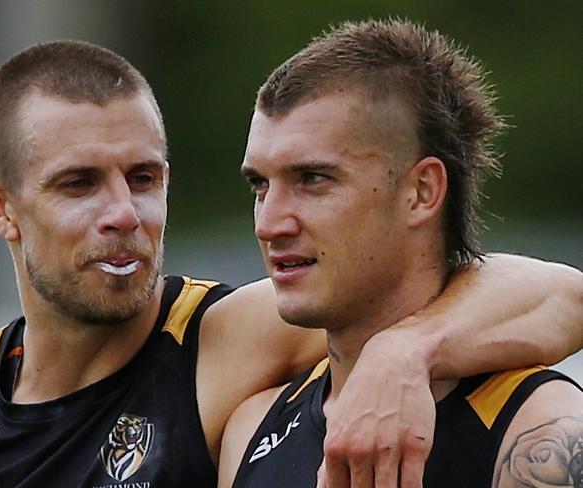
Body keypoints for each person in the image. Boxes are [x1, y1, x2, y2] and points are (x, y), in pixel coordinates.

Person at [0, 40, 581, 488]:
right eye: (77, 183)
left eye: (143, 177)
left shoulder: (229, 339)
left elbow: (557, 294)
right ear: (0, 209)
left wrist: (406, 350)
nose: (124, 213)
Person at [217, 18, 583, 488]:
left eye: (313, 179)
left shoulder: (541, 431)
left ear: (421, 192)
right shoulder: (250, 429)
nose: (269, 224)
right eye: (260, 185)